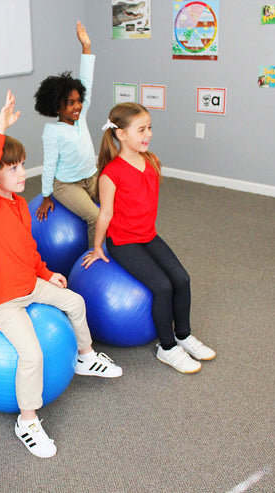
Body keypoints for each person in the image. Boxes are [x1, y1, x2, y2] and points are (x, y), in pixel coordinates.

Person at [0, 90, 122, 459]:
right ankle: (28, 420)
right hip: (4, 299)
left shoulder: (21, 204)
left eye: (23, 165)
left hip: (30, 282)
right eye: (14, 167)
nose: (24, 172)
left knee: (75, 301)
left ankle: (85, 355)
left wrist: (46, 272)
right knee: (33, 355)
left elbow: (27, 249)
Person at [82, 102, 216, 374]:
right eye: (141, 129)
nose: (148, 134)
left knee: (182, 279)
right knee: (162, 286)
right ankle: (167, 348)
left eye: (149, 128)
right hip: (123, 242)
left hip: (148, 236)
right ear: (120, 134)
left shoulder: (152, 161)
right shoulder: (111, 173)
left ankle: (183, 335)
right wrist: (97, 247)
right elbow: (104, 215)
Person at [33, 21, 99, 243]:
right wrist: (45, 196)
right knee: (97, 218)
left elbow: (86, 80)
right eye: (70, 103)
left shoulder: (80, 119)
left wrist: (86, 48)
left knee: (117, 207)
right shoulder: (52, 130)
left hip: (91, 178)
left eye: (79, 101)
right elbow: (49, 164)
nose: (77, 106)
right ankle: (96, 256)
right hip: (67, 185)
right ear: (56, 106)